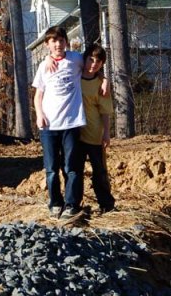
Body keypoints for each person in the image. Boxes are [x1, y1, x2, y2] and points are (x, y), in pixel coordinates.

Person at [32, 26, 86, 220]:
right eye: (53, 41)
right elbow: (38, 95)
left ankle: (72, 205)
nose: (58, 44)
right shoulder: (43, 66)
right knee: (51, 169)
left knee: (72, 167)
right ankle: (55, 203)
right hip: (48, 126)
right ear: (47, 45)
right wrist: (39, 114)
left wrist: (104, 80)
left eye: (61, 40)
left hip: (71, 123)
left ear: (66, 42)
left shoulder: (76, 59)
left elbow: (93, 68)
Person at [75, 44, 115, 215]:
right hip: (75, 133)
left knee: (99, 171)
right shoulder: (74, 76)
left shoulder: (101, 83)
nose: (93, 64)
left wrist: (106, 133)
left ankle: (106, 205)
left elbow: (105, 111)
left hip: (94, 133)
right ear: (84, 59)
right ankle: (74, 205)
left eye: (98, 61)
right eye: (91, 59)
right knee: (75, 171)